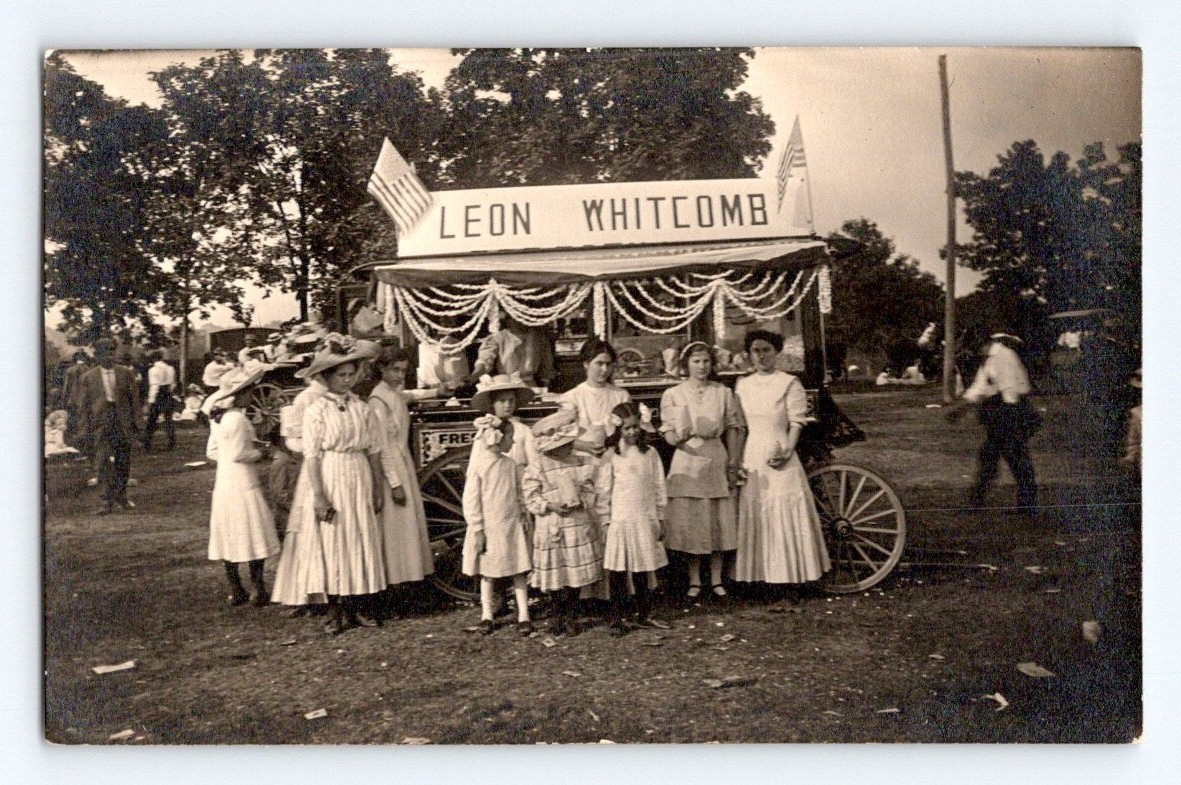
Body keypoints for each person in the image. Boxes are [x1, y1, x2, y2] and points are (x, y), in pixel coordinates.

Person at [270, 335, 386, 634]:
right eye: (341, 375)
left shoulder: (362, 409)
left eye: (351, 375)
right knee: (333, 539)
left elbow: (373, 451)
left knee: (359, 537)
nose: (347, 381)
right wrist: (319, 496)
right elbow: (311, 457)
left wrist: (376, 487)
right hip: (330, 474)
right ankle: (335, 611)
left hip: (358, 472)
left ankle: (358, 606)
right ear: (326, 377)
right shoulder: (316, 411)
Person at [734, 330, 831, 605]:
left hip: (781, 454)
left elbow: (796, 422)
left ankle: (791, 582)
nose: (761, 355)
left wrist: (787, 449)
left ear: (776, 352)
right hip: (753, 454)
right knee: (759, 513)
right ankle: (762, 581)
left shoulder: (789, 383)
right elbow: (740, 426)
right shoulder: (743, 385)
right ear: (749, 354)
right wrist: (739, 460)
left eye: (766, 350)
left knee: (784, 514)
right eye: (755, 350)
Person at [659, 342, 746, 600]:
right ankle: (695, 579)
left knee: (717, 519)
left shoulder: (722, 393)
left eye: (706, 361)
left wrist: (733, 460)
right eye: (696, 361)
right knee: (693, 521)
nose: (702, 366)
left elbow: (733, 425)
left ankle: (717, 578)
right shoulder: (673, 394)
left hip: (714, 455)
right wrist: (677, 437)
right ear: (686, 364)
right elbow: (667, 432)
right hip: (687, 457)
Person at [202, 366, 281, 607]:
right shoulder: (237, 418)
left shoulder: (221, 417)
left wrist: (232, 454)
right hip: (242, 480)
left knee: (230, 530)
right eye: (249, 391)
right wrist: (261, 452)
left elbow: (213, 451)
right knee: (251, 528)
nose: (253, 394)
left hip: (225, 480)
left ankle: (237, 588)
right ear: (241, 394)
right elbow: (239, 453)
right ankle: (257, 588)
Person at [559, 338, 630, 601]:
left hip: (612, 462)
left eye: (608, 365)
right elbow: (562, 436)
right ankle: (585, 590)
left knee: (611, 519)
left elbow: (627, 429)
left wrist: (611, 442)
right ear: (586, 364)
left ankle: (612, 589)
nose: (603, 370)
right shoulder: (573, 397)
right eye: (598, 364)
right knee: (586, 522)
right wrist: (586, 446)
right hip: (584, 463)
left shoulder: (619, 395)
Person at [522, 409, 603, 636]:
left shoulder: (579, 463)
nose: (569, 447)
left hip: (576, 524)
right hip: (552, 525)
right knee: (556, 572)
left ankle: (571, 616)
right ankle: (556, 614)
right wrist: (549, 506)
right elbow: (530, 495)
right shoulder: (538, 467)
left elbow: (590, 488)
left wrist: (582, 501)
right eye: (565, 444)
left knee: (574, 573)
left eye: (571, 443)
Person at [367, 347, 435, 593]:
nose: (400, 375)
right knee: (396, 527)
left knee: (407, 525)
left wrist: (439, 391)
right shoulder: (377, 400)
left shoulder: (392, 392)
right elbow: (381, 446)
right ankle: (396, 584)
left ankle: (409, 580)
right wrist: (394, 483)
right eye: (395, 370)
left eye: (404, 371)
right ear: (382, 369)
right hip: (391, 467)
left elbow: (408, 396)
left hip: (402, 460)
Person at [597, 402, 668, 635]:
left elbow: (659, 486)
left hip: (644, 518)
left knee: (642, 568)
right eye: (627, 428)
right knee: (618, 571)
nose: (632, 432)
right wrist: (606, 520)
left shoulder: (651, 454)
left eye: (635, 427)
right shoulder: (612, 455)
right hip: (621, 519)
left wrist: (660, 516)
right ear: (618, 429)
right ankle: (617, 617)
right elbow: (604, 490)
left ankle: (644, 614)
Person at [949, 332, 1039, 511]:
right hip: (1002, 413)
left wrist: (1007, 420)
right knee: (992, 458)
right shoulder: (990, 358)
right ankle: (978, 500)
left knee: (1015, 459)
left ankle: (1025, 504)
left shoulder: (1003, 356)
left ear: (982, 344)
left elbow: (1011, 392)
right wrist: (962, 408)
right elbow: (980, 387)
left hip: (1011, 412)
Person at [462, 416, 534, 636]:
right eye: (511, 437)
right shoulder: (480, 467)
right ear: (498, 437)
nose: (514, 442)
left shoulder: (511, 465)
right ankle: (487, 615)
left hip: (511, 524)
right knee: (488, 572)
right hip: (490, 526)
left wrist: (524, 515)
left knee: (519, 569)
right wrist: (478, 529)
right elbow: (471, 500)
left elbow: (520, 493)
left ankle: (524, 615)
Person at [76, 338, 141, 515]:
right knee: (102, 461)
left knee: (123, 460)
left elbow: (134, 401)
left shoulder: (126, 373)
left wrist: (137, 425)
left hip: (121, 422)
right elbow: (83, 407)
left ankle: (121, 496)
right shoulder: (88, 377)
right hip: (100, 423)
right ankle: (105, 500)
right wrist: (84, 430)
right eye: (105, 352)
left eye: (112, 352)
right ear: (97, 355)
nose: (109, 356)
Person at [470, 372, 537, 467]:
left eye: (511, 400)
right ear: (492, 403)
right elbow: (475, 462)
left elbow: (534, 461)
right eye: (502, 401)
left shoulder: (523, 430)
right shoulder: (486, 428)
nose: (508, 405)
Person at [469, 316, 555, 389]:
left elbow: (546, 367)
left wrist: (544, 389)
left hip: (530, 386)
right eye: (514, 318)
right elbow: (485, 360)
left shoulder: (539, 338)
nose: (518, 321)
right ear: (508, 319)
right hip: (505, 384)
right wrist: (474, 375)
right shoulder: (498, 338)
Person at [143, 352, 177, 452]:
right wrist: (169, 392)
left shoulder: (153, 370)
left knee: (152, 420)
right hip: (167, 393)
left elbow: (154, 386)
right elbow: (172, 383)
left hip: (158, 395)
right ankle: (171, 442)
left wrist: (151, 400)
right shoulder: (170, 368)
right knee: (168, 419)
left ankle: (147, 442)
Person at [62, 350, 91, 448]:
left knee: (72, 420)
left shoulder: (70, 370)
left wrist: (64, 399)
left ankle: (73, 443)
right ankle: (82, 442)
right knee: (84, 421)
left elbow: (66, 387)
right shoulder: (89, 370)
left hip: (72, 399)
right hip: (85, 399)